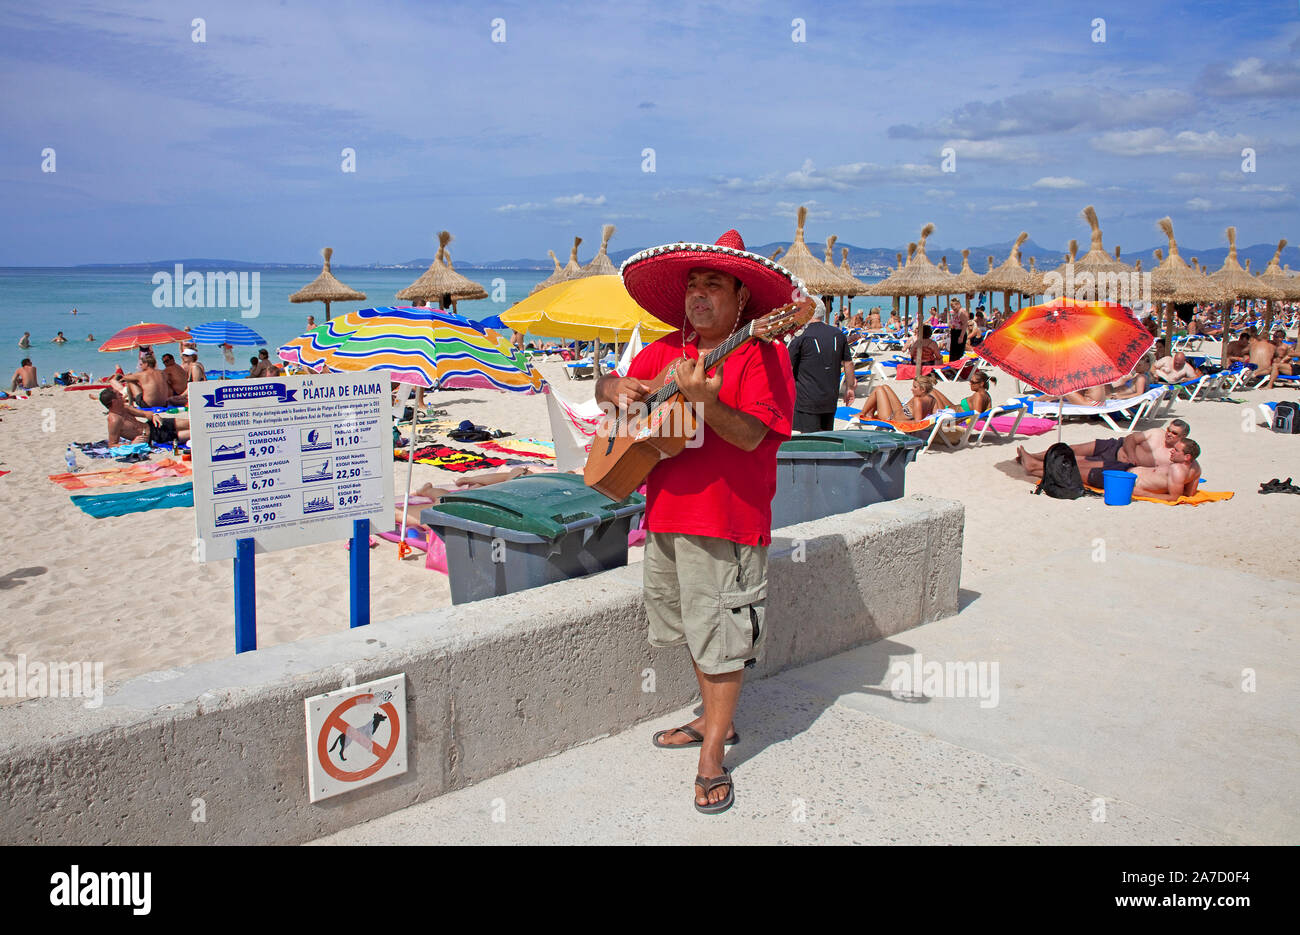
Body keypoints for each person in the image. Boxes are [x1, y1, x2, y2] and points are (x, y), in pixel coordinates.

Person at [595, 229, 800, 815]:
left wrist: (707, 402)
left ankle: (712, 755)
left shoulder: (765, 352)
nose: (699, 295)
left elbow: (755, 434)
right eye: (693, 285)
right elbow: (606, 391)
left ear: (743, 300)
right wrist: (616, 386)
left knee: (723, 640)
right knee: (691, 628)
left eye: (713, 284)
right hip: (664, 516)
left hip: (726, 521)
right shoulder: (663, 352)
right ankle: (716, 722)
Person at [1018, 418, 1190, 477]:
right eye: (1169, 430)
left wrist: (1132, 464)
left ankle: (1035, 462)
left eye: (1174, 433)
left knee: (1076, 461)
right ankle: (1034, 456)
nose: (1168, 434)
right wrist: (1131, 454)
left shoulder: (1175, 454)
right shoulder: (1156, 433)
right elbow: (1131, 438)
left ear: (1182, 437)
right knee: (1074, 448)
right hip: (1116, 446)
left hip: (1120, 465)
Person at [787, 303, 855, 432]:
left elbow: (788, 367)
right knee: (826, 437)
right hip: (830, 397)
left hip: (806, 399)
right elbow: (848, 363)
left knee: (809, 440)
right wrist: (850, 388)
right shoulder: (838, 334)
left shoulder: (800, 335)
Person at [99, 388, 191, 447]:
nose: (122, 395)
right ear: (114, 401)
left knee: (192, 423)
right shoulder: (114, 420)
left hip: (154, 424)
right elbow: (112, 444)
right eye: (118, 395)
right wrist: (131, 443)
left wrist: (154, 415)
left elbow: (145, 413)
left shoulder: (125, 408)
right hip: (155, 437)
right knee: (193, 433)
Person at [856, 373, 943, 423]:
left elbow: (917, 422)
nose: (911, 389)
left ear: (923, 389)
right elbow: (934, 416)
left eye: (915, 387)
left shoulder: (918, 400)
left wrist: (898, 423)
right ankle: (870, 413)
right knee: (885, 387)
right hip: (899, 411)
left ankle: (862, 413)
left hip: (891, 418)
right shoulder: (932, 399)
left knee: (879, 389)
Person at [111, 355, 178, 407]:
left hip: (148, 405)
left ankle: (131, 405)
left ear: (146, 364)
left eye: (141, 364)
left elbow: (124, 378)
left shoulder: (141, 374)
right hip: (164, 404)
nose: (140, 366)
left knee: (130, 382)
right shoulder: (163, 373)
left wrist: (119, 376)